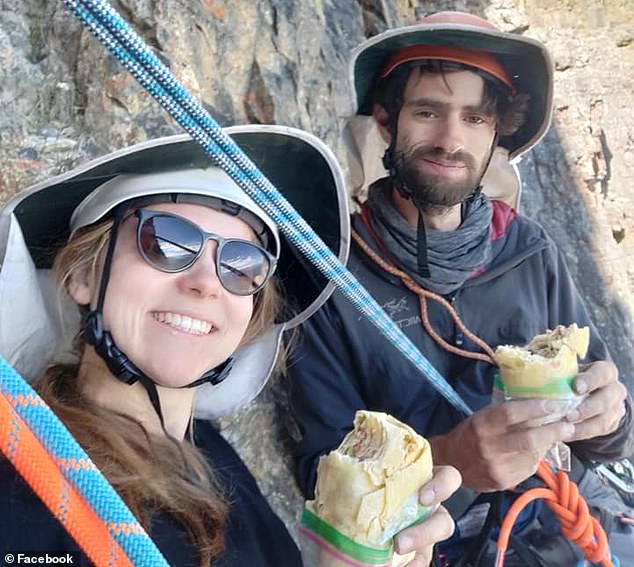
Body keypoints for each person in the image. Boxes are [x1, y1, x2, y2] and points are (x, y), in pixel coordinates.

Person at [0, 124, 460, 566]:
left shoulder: (214, 459)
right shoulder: (20, 477)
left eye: (241, 265)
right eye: (166, 240)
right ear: (82, 273)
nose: (206, 284)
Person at [288, 11, 634, 566]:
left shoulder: (528, 250)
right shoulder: (333, 274)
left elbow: (609, 426)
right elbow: (320, 470)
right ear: (386, 119)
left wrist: (609, 419)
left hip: (571, 519)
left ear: (496, 136)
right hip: (439, 548)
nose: (451, 140)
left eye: (474, 119)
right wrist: (450, 460)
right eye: (428, 112)